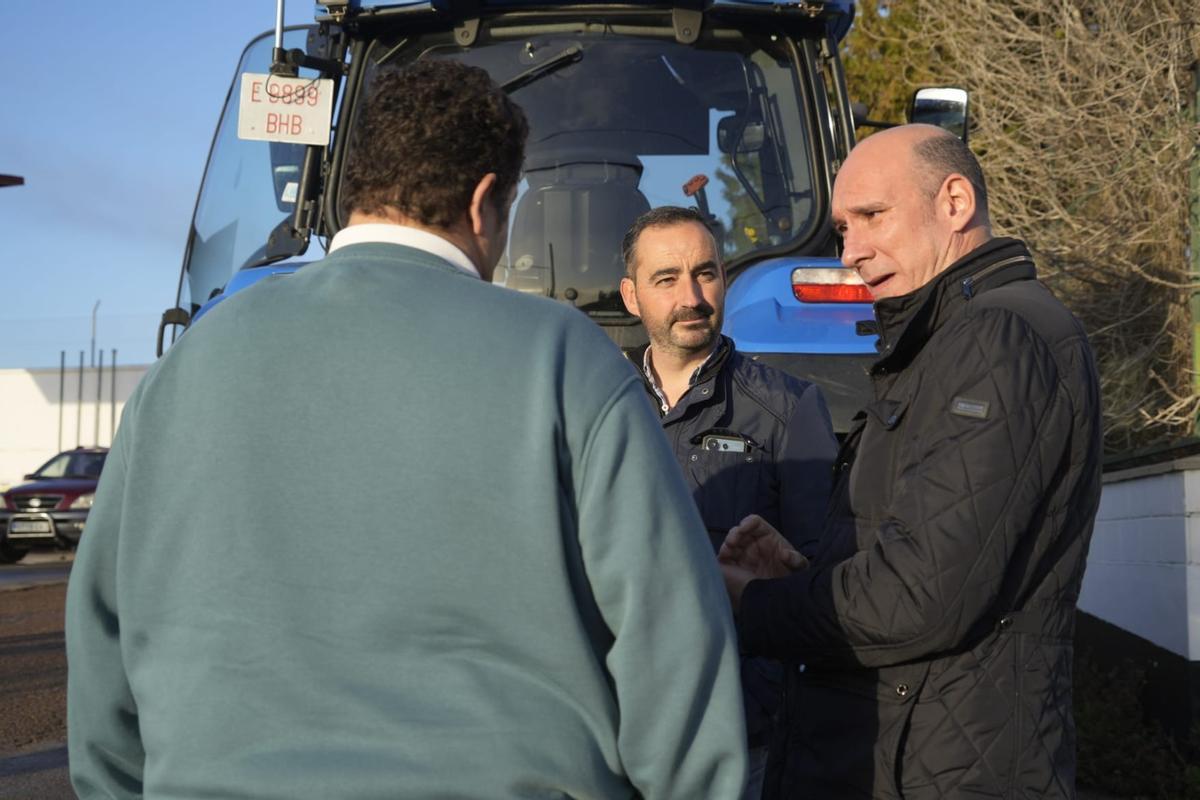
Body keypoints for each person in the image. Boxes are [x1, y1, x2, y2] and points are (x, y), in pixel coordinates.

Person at [66, 60, 748, 800]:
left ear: (356, 184)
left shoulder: (181, 371)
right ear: (485, 203)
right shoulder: (565, 359)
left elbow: (102, 651)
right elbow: (670, 642)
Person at [719, 124, 1103, 799]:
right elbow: (929, 552)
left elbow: (920, 597)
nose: (852, 253)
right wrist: (809, 575)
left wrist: (755, 603)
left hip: (940, 770)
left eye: (873, 216)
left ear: (954, 202)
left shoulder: (998, 338)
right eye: (843, 229)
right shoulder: (941, 344)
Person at [619, 206, 838, 798]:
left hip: (741, 735)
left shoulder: (789, 410)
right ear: (632, 296)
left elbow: (821, 578)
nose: (691, 297)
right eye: (667, 279)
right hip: (620, 728)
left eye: (705, 273)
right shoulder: (598, 408)